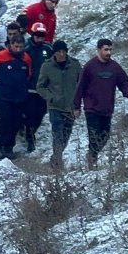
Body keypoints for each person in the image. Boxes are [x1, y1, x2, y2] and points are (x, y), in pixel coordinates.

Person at [72, 38, 128, 170]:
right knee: (94, 137)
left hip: (107, 108)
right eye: (106, 49)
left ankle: (92, 155)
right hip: (92, 108)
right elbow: (80, 87)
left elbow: (123, 81)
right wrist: (76, 106)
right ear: (99, 50)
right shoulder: (89, 67)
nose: (109, 52)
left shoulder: (114, 67)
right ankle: (92, 162)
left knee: (105, 136)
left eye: (110, 49)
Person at [0, 34, 32, 159]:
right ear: (10, 45)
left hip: (19, 95)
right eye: (16, 46)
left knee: (16, 121)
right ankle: (2, 145)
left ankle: (10, 146)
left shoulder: (26, 58)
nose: (18, 49)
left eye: (20, 47)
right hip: (4, 95)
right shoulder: (1, 56)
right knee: (6, 119)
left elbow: (28, 74)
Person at [37, 40, 81, 169]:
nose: (61, 54)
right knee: (57, 133)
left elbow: (82, 83)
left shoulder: (75, 65)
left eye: (63, 51)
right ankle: (57, 162)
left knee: (66, 135)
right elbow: (40, 86)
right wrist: (50, 97)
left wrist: (79, 101)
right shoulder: (47, 66)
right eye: (58, 52)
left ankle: (55, 157)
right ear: (54, 53)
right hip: (55, 107)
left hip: (70, 106)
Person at [23, 22, 53, 153]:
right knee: (30, 113)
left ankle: (32, 130)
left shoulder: (48, 48)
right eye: (37, 35)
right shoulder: (25, 48)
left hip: (43, 88)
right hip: (28, 87)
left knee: (41, 113)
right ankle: (30, 138)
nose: (40, 38)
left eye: (42, 35)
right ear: (32, 34)